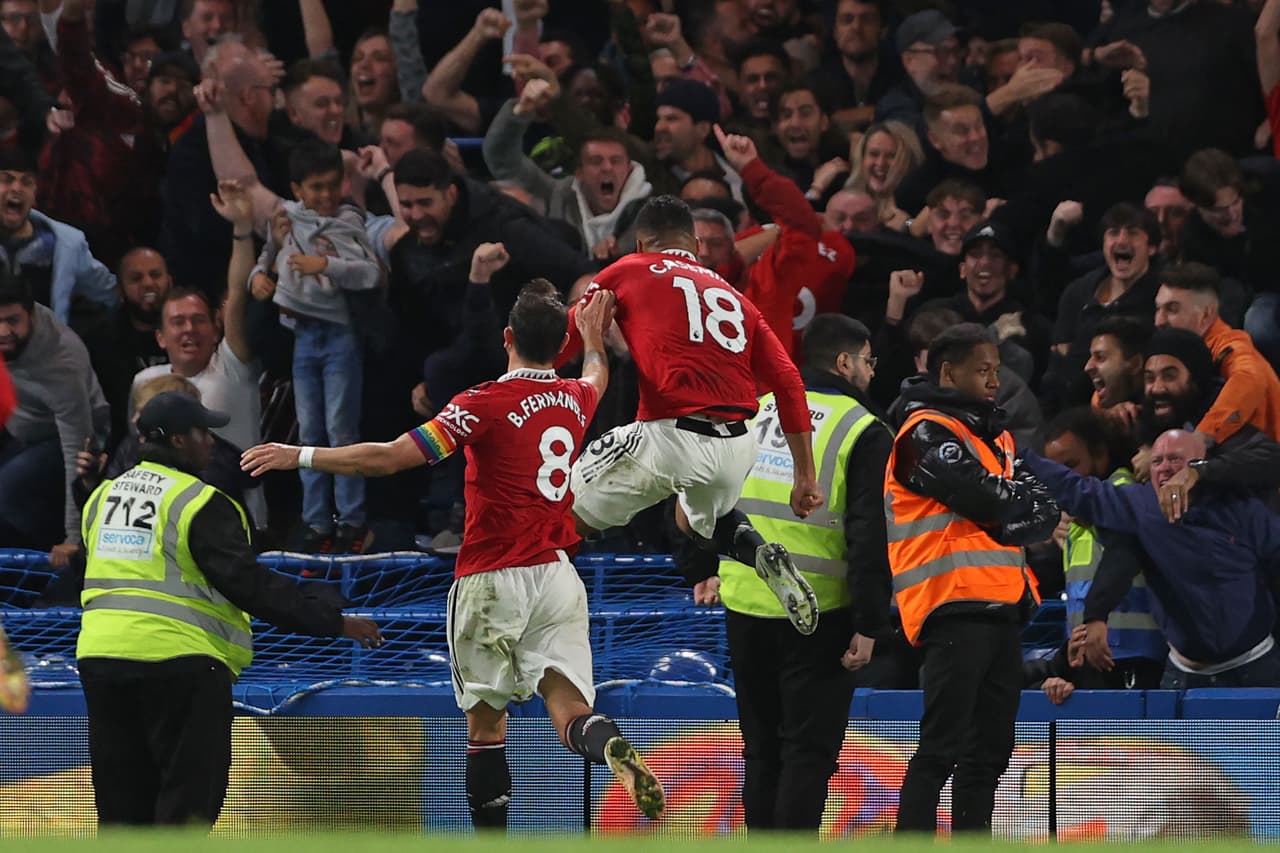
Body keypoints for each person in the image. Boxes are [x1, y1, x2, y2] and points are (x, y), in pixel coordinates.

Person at [240, 283, 667, 825]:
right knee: (571, 709)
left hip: (492, 580)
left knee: (486, 731)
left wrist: (297, 453)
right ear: (559, 342)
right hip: (558, 576)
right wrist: (594, 340)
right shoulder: (576, 398)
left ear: (507, 338)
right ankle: (607, 746)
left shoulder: (482, 403)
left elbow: (391, 457)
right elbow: (597, 376)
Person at [77, 391, 383, 827]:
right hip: (181, 666)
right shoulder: (198, 501)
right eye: (204, 433)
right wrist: (334, 621)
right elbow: (251, 586)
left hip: (102, 664)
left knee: (122, 811)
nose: (211, 443)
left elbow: (86, 573)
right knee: (186, 812)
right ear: (179, 440)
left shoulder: (101, 498)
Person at [555, 193, 826, 636]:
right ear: (696, 246)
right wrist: (805, 476)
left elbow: (566, 341)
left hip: (670, 437)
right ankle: (758, 553)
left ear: (641, 245)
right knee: (694, 520)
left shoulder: (628, 270)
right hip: (739, 445)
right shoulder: (735, 297)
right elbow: (790, 383)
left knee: (555, 515)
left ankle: (536, 624)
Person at [677, 314, 892, 832]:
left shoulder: (753, 410)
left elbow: (699, 488)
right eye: (868, 361)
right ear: (845, 362)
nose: (870, 372)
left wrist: (703, 566)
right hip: (819, 612)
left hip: (745, 600)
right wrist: (869, 621)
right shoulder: (863, 428)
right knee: (808, 754)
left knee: (763, 750)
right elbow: (868, 532)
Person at [884, 323, 1058, 835]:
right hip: (950, 606)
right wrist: (1005, 508)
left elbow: (1043, 513)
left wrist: (1004, 508)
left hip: (1003, 608)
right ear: (946, 372)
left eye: (995, 371)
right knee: (941, 748)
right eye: (981, 370)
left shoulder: (995, 436)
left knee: (990, 754)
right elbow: (989, 499)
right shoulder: (922, 431)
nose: (992, 381)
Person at [1025, 429, 1280, 689]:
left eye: (1175, 459)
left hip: (1255, 666)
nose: (1165, 469)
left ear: (1202, 463)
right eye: (1157, 461)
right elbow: (1077, 490)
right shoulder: (1141, 506)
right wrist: (1016, 453)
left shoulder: (1241, 508)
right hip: (1183, 675)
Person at [250, 141, 381, 554]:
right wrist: (259, 276)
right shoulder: (286, 218)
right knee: (309, 432)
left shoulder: (348, 221)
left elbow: (370, 274)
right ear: (297, 188)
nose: (325, 196)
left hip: (339, 334)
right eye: (315, 187)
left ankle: (351, 520)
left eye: (331, 186)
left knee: (341, 430)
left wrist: (323, 265)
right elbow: (268, 255)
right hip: (302, 335)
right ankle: (315, 521)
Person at [1042, 408, 1165, 689]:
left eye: (1071, 465)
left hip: (1133, 660)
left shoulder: (1123, 494)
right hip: (1093, 661)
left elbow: (1123, 556)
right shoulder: (1075, 517)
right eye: (1056, 471)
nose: (1063, 480)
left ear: (1100, 454)